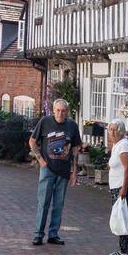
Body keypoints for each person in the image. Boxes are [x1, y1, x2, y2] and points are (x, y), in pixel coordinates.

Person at [28, 99, 81, 246]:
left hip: (64, 171)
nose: (60, 113)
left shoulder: (72, 126)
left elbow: (75, 149)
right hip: (48, 170)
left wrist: (74, 171)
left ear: (67, 112)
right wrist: (40, 160)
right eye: (58, 110)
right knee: (43, 202)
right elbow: (32, 141)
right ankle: (38, 234)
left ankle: (53, 234)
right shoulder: (45, 122)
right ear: (53, 110)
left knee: (58, 204)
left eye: (63, 111)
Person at [106, 118, 128, 255]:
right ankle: (123, 249)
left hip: (122, 187)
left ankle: (124, 251)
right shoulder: (119, 144)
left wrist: (123, 189)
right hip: (118, 186)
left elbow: (127, 167)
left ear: (120, 131)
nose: (111, 132)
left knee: (121, 217)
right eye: (110, 129)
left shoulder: (123, 145)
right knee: (120, 216)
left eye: (114, 130)